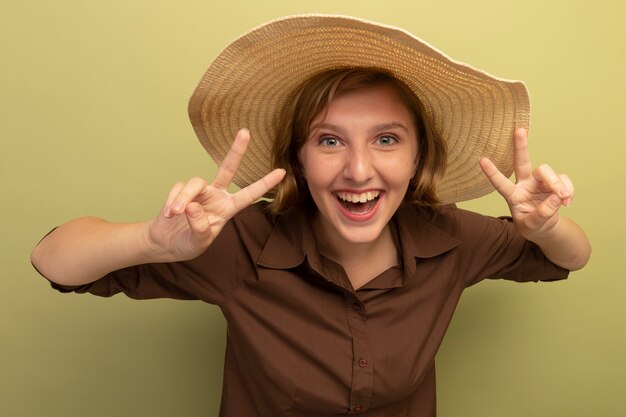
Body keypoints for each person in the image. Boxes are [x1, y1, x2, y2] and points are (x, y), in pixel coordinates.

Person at [31, 15, 590, 417]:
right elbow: (52, 258)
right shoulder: (237, 245)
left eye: (387, 139)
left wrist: (547, 227)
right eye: (328, 141)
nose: (358, 169)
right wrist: (153, 243)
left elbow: (574, 255)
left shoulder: (450, 237)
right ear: (298, 158)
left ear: (418, 157)